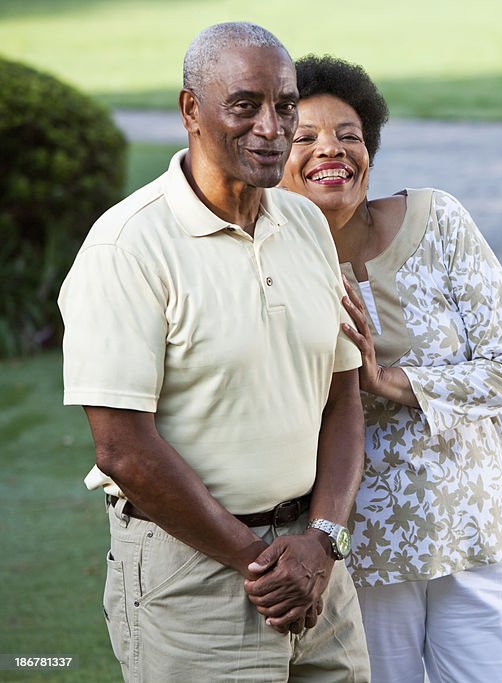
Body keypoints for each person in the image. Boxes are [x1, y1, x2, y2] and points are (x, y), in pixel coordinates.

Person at [58, 24, 370, 682]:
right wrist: (258, 561)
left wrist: (322, 542)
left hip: (318, 574)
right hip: (194, 582)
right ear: (190, 110)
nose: (271, 127)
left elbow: (343, 399)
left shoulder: (307, 223)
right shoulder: (127, 247)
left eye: (284, 105)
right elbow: (122, 450)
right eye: (245, 104)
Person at [279, 54, 502, 682]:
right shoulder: (272, 260)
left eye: (349, 136)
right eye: (305, 138)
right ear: (272, 159)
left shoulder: (439, 221)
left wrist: (391, 382)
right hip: (361, 547)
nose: (331, 151)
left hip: (475, 531)